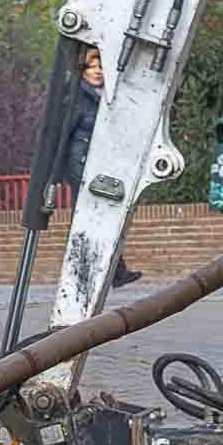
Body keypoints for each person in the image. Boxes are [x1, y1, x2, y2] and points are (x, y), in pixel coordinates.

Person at [56, 44, 144, 288]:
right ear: (82, 70)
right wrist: (56, 173)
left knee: (102, 217)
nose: (97, 71)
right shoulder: (77, 98)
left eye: (101, 67)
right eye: (91, 67)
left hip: (100, 167)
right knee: (89, 219)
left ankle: (112, 271)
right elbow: (62, 136)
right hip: (82, 168)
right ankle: (86, 273)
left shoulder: (103, 95)